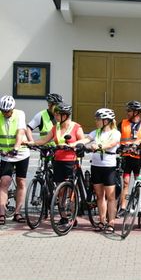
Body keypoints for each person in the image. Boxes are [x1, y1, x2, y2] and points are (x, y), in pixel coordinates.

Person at [74, 109, 121, 234]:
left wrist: (99, 146)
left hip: (109, 167)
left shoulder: (115, 133)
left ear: (106, 121)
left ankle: (111, 223)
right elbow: (85, 139)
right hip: (96, 166)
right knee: (100, 196)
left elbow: (112, 143)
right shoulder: (95, 133)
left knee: (110, 197)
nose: (96, 121)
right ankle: (102, 221)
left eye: (98, 119)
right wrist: (73, 144)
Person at [29, 103, 85, 183]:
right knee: (59, 188)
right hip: (57, 160)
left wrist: (71, 145)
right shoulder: (55, 127)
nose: (55, 117)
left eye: (57, 115)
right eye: (55, 115)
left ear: (64, 116)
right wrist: (30, 143)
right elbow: (44, 140)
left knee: (69, 187)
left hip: (71, 160)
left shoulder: (76, 127)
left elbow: (83, 141)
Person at [117, 100, 141, 217]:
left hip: (140, 158)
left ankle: (139, 206)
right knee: (126, 183)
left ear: (136, 112)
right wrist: (119, 148)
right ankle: (123, 207)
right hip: (126, 158)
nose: (127, 112)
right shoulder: (122, 123)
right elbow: (116, 139)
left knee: (139, 183)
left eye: (129, 111)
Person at [0, 96, 30, 225]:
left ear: (12, 109)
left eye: (7, 111)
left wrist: (16, 148)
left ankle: (18, 213)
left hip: (21, 153)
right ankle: (1, 214)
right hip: (5, 154)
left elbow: (20, 132)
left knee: (21, 181)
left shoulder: (19, 114)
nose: (5, 113)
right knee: (4, 182)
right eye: (3, 111)